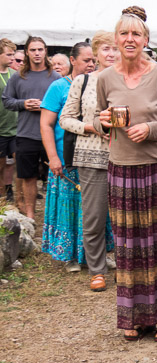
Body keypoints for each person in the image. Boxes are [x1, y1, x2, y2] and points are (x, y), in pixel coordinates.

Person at [94, 6, 157, 343]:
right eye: (124, 34)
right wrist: (102, 122)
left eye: (136, 34)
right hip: (121, 169)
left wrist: (151, 128)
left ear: (146, 40)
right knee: (128, 246)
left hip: (156, 168)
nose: (130, 39)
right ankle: (132, 317)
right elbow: (101, 123)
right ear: (116, 39)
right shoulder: (105, 78)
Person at [59, 31, 117, 291]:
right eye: (106, 49)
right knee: (94, 217)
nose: (112, 53)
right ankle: (97, 269)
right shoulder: (83, 81)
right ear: (96, 53)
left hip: (128, 157)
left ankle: (129, 267)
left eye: (115, 48)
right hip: (92, 156)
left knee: (128, 217)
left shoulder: (133, 80)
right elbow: (65, 119)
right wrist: (93, 127)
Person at [40, 42, 97, 273]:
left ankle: (94, 255)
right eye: (86, 60)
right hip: (66, 158)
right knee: (69, 208)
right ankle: (69, 256)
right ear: (73, 61)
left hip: (93, 157)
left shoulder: (99, 83)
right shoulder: (58, 87)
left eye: (93, 60)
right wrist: (53, 157)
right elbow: (46, 124)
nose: (91, 64)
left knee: (94, 209)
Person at [2, 37, 60, 219]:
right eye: (33, 50)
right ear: (27, 52)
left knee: (54, 177)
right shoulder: (18, 76)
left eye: (40, 49)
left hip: (51, 134)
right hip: (26, 133)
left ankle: (54, 216)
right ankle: (30, 215)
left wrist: (46, 106)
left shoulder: (55, 77)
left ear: (45, 52)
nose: (37, 53)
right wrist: (24, 104)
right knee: (28, 176)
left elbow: (65, 104)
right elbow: (7, 101)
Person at [0, 39, 18, 202]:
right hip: (0, 128)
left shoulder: (14, 75)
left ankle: (10, 190)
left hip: (15, 127)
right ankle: (2, 198)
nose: (12, 57)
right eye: (9, 54)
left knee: (14, 161)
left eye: (14, 54)